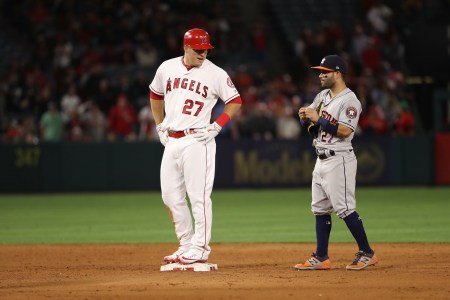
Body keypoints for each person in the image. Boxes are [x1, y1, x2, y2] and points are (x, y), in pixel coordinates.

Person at [149, 28, 242, 264]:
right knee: (170, 196)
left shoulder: (215, 73)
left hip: (198, 140)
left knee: (198, 196)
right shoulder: (167, 67)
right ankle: (186, 244)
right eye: (199, 50)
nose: (203, 54)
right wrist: (160, 125)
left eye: (206, 50)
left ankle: (200, 247)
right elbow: (155, 94)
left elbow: (235, 101)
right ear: (186, 47)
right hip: (171, 139)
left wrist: (218, 125)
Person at [296, 55, 378, 271]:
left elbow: (345, 130)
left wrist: (317, 118)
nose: (321, 75)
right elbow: (312, 123)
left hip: (339, 158)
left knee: (344, 208)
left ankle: (367, 252)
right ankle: (322, 257)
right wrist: (305, 117)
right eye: (320, 71)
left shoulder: (350, 101)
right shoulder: (323, 95)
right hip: (320, 158)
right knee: (320, 209)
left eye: (325, 71)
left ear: (338, 73)